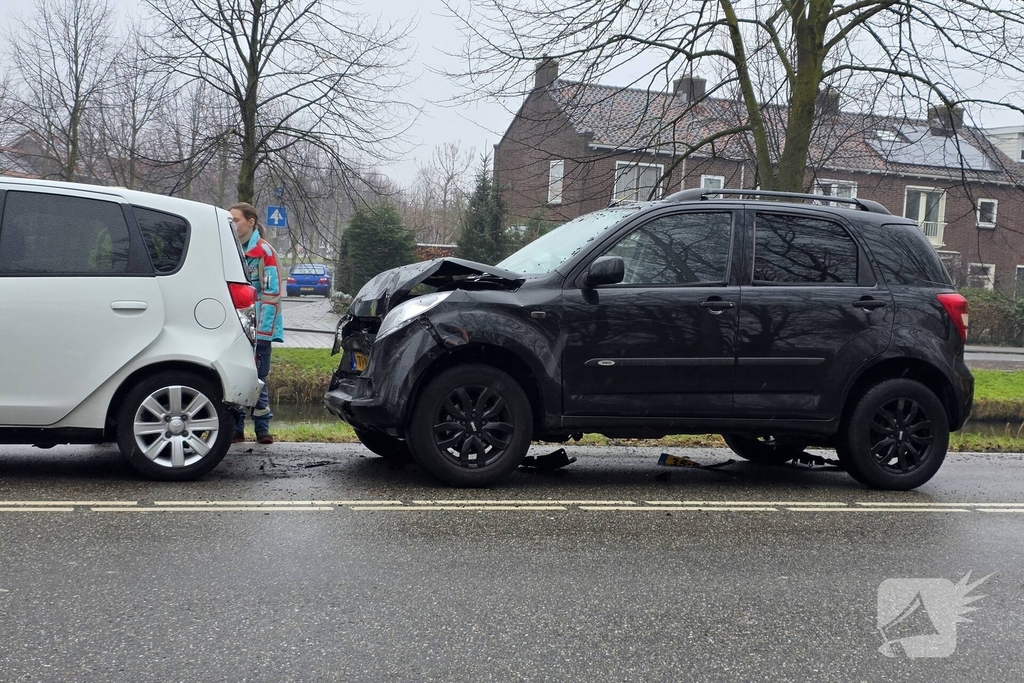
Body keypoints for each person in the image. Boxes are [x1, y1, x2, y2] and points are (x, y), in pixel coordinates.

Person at [229, 202, 284, 444]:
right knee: (237, 375)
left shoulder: (264, 252)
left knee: (259, 378)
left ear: (251, 221)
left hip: (259, 329)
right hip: (237, 326)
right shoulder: (230, 249)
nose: (233, 225)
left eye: (236, 220)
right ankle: (236, 429)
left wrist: (261, 331)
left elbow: (271, 294)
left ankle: (262, 429)